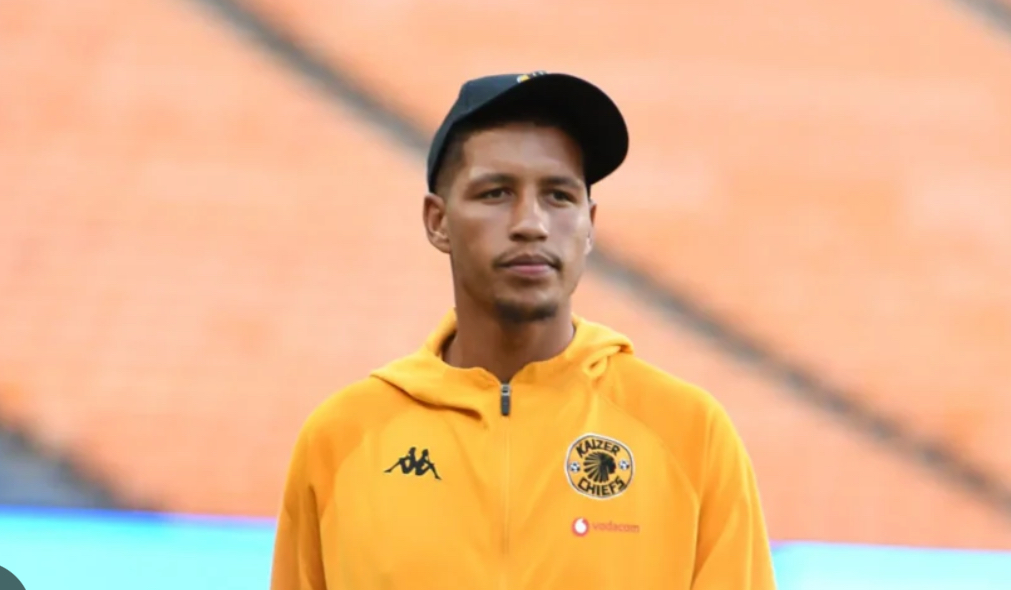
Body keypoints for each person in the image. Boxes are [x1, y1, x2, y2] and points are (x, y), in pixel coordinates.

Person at [270, 71, 777, 590]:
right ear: (438, 221)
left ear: (589, 225)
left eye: (558, 195)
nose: (531, 223)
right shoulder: (342, 438)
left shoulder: (690, 435)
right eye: (495, 193)